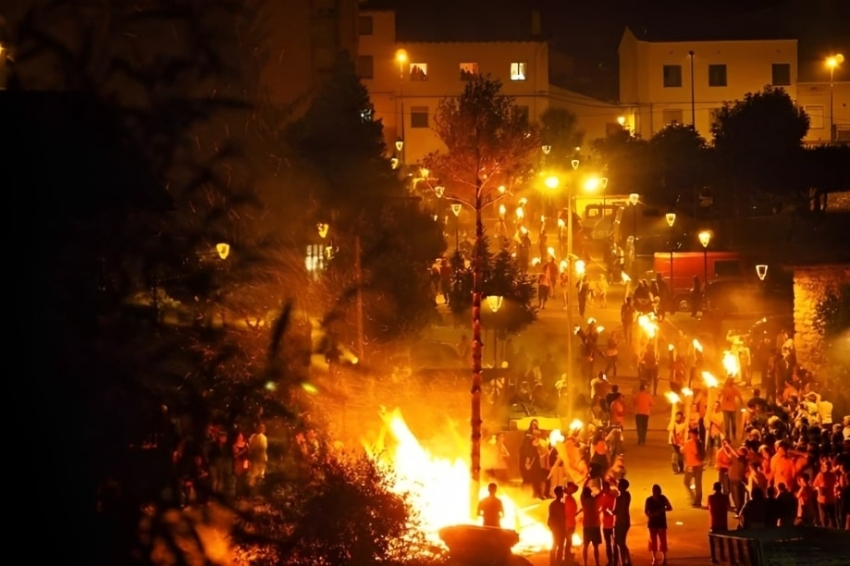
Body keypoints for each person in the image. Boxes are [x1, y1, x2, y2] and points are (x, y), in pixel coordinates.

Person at [645, 484, 673, 565]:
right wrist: (653, 514)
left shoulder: (661, 498)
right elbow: (646, 511)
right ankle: (655, 558)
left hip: (660, 522)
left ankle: (663, 558)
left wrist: (661, 510)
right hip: (654, 522)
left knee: (661, 541)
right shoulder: (651, 500)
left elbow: (670, 507)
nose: (657, 493)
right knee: (654, 541)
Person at [683, 428, 705, 507]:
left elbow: (686, 451)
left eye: (691, 434)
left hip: (694, 466)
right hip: (695, 465)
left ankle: (696, 500)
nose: (691, 435)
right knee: (694, 483)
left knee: (690, 482)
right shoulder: (698, 442)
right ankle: (696, 499)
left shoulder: (692, 443)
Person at [708, 482, 729, 564]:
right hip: (723, 521)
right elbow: (728, 506)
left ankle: (713, 557)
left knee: (712, 540)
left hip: (714, 522)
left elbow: (709, 507)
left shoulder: (711, 497)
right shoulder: (725, 497)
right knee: (722, 540)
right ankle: (722, 555)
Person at [581, 486, 602, 566]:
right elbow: (602, 492)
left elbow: (583, 490)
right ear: (590, 493)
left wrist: (588, 479)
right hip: (595, 525)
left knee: (585, 546)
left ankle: (585, 563)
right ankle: (597, 563)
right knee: (596, 547)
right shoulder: (595, 500)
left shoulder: (583, 501)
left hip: (587, 525)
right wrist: (601, 478)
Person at [613, 478, 632, 566]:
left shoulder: (619, 498)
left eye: (619, 484)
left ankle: (623, 562)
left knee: (619, 543)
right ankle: (627, 560)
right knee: (622, 542)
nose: (618, 486)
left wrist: (608, 511)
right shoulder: (628, 495)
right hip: (626, 521)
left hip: (620, 521)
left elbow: (615, 511)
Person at [599, 481, 617, 566]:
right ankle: (610, 560)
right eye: (603, 487)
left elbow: (613, 509)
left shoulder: (612, 497)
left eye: (605, 487)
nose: (604, 489)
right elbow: (600, 508)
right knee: (608, 544)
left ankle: (615, 561)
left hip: (612, 524)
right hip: (605, 524)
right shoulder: (602, 497)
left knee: (614, 543)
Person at [548, 486, 567, 566]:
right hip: (557, 528)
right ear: (558, 493)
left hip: (560, 528)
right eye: (561, 492)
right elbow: (551, 517)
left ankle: (556, 562)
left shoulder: (560, 505)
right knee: (557, 545)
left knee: (559, 545)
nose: (563, 494)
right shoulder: (555, 505)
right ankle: (554, 562)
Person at [564, 482, 580, 564]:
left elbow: (572, 513)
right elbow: (566, 513)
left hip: (571, 523)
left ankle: (567, 556)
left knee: (569, 541)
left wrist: (579, 511)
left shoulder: (570, 498)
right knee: (568, 541)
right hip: (568, 524)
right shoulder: (567, 499)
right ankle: (567, 557)